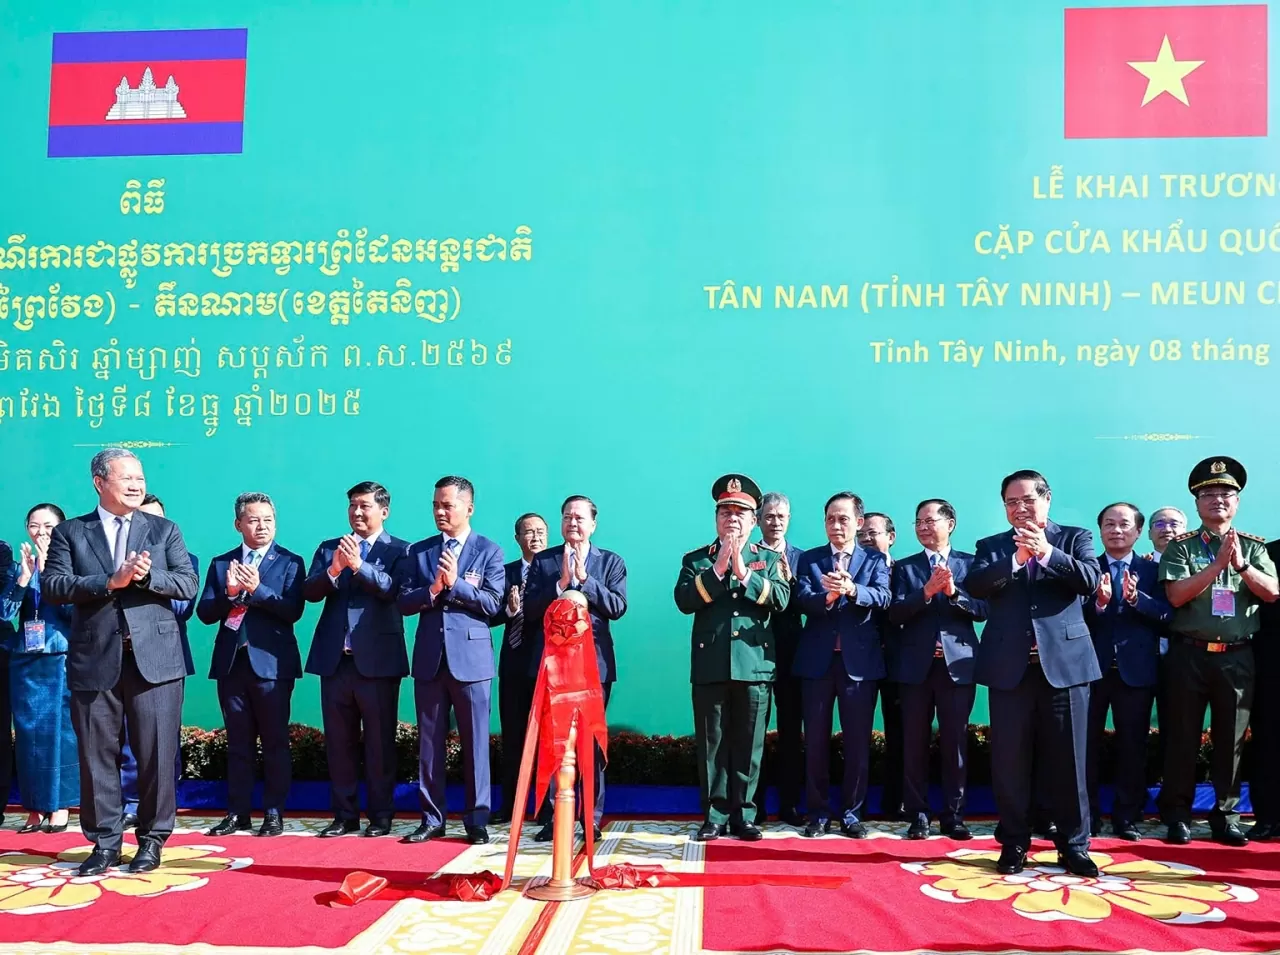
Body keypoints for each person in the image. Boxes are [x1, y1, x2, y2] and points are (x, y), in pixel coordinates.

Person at [43, 448, 198, 876]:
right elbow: (54, 584)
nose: (136, 485)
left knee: (156, 755)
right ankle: (105, 842)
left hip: (156, 663)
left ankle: (151, 840)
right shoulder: (72, 532)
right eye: (126, 478)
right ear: (99, 482)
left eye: (140, 478)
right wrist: (109, 581)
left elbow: (187, 583)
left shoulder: (164, 530)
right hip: (96, 659)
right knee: (97, 757)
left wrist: (148, 577)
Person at [968, 469, 1101, 877]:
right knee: (1009, 761)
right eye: (1011, 502)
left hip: (1065, 668)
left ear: (1047, 498)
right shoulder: (992, 546)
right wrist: (1016, 560)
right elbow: (975, 585)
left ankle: (1074, 845)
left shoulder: (1074, 538)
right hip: (1011, 670)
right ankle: (1013, 842)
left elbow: (1091, 580)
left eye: (1028, 499)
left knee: (1070, 760)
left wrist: (1046, 553)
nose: (1020, 508)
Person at [1158, 457, 1278, 846]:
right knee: (1181, 736)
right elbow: (1176, 595)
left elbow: (1272, 592)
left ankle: (1226, 816)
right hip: (1188, 654)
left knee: (1232, 739)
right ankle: (1176, 815)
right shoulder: (1181, 547)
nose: (1217, 500)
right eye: (1208, 494)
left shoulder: (1256, 548)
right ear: (1196, 503)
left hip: (1237, 655)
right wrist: (1215, 567)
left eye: (1225, 493)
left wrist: (1240, 565)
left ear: (1237, 501)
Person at [675, 474, 789, 842]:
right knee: (713, 744)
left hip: (755, 664)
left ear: (754, 521)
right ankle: (715, 815)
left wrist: (743, 573)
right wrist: (720, 570)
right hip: (711, 665)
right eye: (725, 511)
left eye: (741, 513)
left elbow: (782, 600)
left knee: (749, 744)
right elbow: (684, 600)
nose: (732, 519)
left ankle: (746, 816)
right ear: (716, 518)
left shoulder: (768, 559)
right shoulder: (696, 560)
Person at [397, 476, 504, 845]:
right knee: (429, 744)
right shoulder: (419, 551)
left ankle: (476, 820)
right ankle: (432, 818)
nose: (441, 512)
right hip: (429, 658)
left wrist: (457, 585)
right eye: (436, 505)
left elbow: (494, 604)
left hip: (472, 661)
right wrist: (433, 589)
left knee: (476, 743)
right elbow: (404, 601)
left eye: (448, 505)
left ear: (468, 508)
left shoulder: (489, 551)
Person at [304, 481, 411, 838]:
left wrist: (359, 565)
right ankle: (344, 814)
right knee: (339, 742)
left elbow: (393, 590)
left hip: (378, 663)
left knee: (380, 742)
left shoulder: (401, 550)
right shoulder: (329, 548)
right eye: (352, 506)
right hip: (336, 661)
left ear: (384, 511)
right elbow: (310, 591)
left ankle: (381, 815)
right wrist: (334, 569)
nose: (358, 513)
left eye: (365, 506)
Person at [198, 493, 306, 838]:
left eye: (268, 520)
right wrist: (230, 594)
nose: (262, 527)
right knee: (238, 743)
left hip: (272, 665)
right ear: (238, 524)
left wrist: (257, 590)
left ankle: (273, 812)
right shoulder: (221, 563)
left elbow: (292, 611)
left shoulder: (290, 562)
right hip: (232, 665)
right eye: (254, 520)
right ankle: (237, 813)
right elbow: (204, 613)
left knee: (275, 741)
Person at [523, 495, 628, 841]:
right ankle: (556, 816)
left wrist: (585, 581)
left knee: (591, 743)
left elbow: (617, 606)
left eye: (580, 518)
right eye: (567, 517)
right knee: (556, 741)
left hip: (593, 667)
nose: (573, 523)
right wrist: (559, 585)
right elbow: (530, 608)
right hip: (554, 669)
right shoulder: (544, 561)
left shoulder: (610, 562)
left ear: (593, 524)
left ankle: (590, 817)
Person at [793, 492, 891, 838]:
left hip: (859, 667)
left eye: (844, 519)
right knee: (816, 742)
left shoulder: (874, 560)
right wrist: (829, 597)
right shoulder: (811, 559)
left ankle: (851, 813)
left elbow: (883, 597)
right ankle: (817, 813)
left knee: (857, 743)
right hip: (818, 664)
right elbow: (803, 599)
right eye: (830, 519)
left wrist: (852, 590)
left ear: (859, 523)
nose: (836, 525)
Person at [887, 498, 986, 840]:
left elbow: (982, 609)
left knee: (955, 742)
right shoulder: (904, 568)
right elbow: (895, 612)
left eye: (930, 521)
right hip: (915, 668)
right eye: (918, 522)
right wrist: (926, 592)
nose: (923, 527)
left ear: (950, 524)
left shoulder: (971, 564)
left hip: (957, 666)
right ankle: (917, 814)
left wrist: (954, 592)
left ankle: (954, 815)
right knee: (914, 742)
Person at [1084, 503, 1170, 841]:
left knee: (1132, 748)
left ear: (1138, 532)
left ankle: (1127, 816)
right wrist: (1100, 602)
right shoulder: (1088, 569)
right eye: (1109, 524)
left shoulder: (1153, 571)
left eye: (1124, 525)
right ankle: (1086, 815)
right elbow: (1072, 616)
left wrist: (1138, 601)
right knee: (1084, 746)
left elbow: (1168, 617)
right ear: (1100, 531)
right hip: (1092, 670)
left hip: (1137, 672)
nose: (1116, 530)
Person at [0, 504, 78, 833]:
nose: (41, 531)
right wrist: (25, 577)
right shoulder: (20, 567)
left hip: (58, 658)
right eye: (34, 525)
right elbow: (4, 612)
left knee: (59, 735)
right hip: (24, 663)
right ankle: (34, 808)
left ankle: (59, 806)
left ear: (60, 528)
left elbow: (75, 613)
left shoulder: (69, 567)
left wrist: (49, 572)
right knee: (30, 737)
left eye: (48, 525)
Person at [121, 493, 195, 830]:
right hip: (124, 658)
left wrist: (152, 580)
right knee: (126, 739)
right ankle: (130, 804)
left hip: (165, 659)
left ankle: (164, 806)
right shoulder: (119, 562)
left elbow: (183, 608)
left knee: (163, 741)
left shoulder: (185, 561)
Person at [490, 512, 547, 825]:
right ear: (518, 538)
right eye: (528, 532)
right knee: (512, 738)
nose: (535, 537)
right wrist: (507, 610)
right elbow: (487, 614)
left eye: (540, 531)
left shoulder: (556, 570)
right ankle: (510, 805)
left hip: (546, 666)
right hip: (513, 664)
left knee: (546, 740)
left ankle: (546, 808)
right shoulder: (505, 572)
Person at [757, 491, 805, 826]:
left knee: (791, 733)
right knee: (754, 734)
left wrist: (792, 581)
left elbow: (811, 604)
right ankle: (753, 807)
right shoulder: (750, 555)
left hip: (793, 654)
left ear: (789, 520)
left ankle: (790, 805)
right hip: (755, 652)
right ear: (759, 519)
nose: (775, 522)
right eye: (769, 516)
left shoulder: (804, 558)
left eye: (781, 517)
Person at [860, 512, 905, 821]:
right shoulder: (854, 571)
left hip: (898, 664)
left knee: (901, 733)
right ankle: (856, 806)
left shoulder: (907, 570)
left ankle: (897, 802)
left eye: (872, 533)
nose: (866, 539)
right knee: (858, 734)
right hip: (859, 662)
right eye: (861, 534)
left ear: (891, 537)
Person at [1145, 506, 1186, 769]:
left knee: (1179, 727)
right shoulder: (1139, 567)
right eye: (1159, 524)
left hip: (1184, 659)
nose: (1167, 530)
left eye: (1174, 524)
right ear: (1148, 533)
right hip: (1142, 659)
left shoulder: (1199, 569)